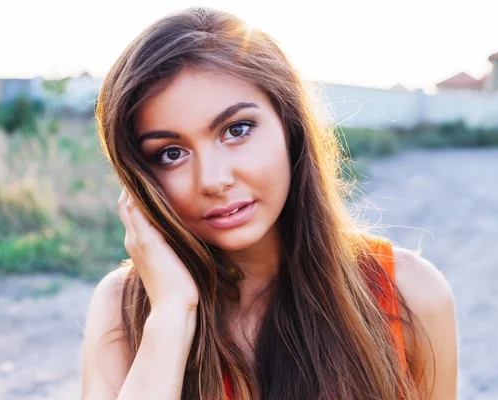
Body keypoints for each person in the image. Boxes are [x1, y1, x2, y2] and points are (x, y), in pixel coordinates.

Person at [81, 6, 458, 400]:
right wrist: (172, 314)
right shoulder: (123, 308)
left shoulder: (409, 293)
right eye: (171, 153)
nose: (212, 180)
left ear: (289, 125)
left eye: (236, 130)